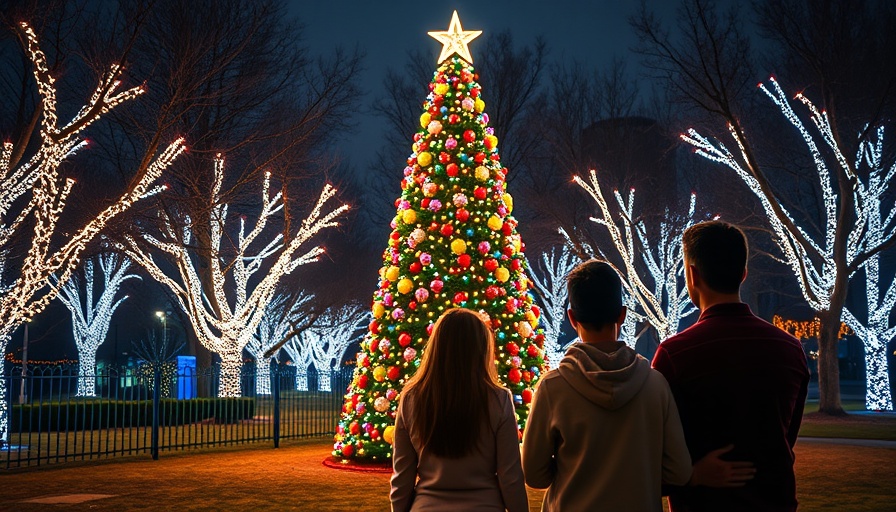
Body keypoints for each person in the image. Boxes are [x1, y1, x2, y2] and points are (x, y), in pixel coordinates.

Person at [522, 260, 752, 511]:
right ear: (622, 314)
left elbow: (534, 475)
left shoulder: (553, 388)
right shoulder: (654, 384)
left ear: (572, 317)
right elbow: (678, 471)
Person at [652, 220, 810, 511]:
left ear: (692, 274)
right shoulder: (790, 349)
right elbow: (785, 439)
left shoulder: (675, 355)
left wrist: (691, 476)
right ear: (744, 274)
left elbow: (655, 453)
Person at [390, 308, 529, 512]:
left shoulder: (412, 398)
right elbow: (511, 477)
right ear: (481, 348)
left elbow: (402, 478)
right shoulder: (499, 399)